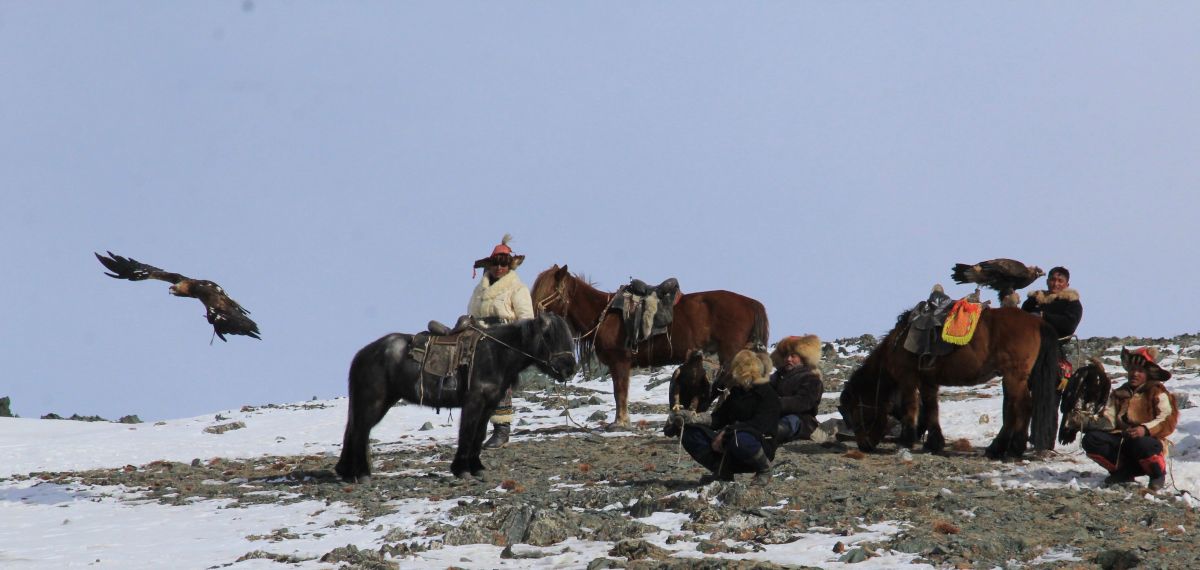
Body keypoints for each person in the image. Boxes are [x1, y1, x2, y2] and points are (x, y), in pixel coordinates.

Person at [669, 349, 780, 486]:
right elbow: (718, 418)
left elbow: (759, 426)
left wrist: (727, 432)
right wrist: (692, 418)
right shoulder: (737, 393)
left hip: (757, 446)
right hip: (730, 445)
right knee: (689, 433)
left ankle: (764, 469)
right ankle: (723, 472)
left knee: (739, 438)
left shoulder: (768, 395)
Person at [1077, 347, 1178, 491]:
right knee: (1091, 439)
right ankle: (1123, 472)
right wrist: (1084, 423)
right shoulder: (1119, 393)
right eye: (1132, 370)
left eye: (1140, 371)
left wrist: (1145, 429)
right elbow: (1109, 420)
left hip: (1147, 444)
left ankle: (1157, 475)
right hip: (1124, 443)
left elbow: (1167, 419)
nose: (1134, 374)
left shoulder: (1157, 392)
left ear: (1148, 374)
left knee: (1143, 444)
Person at [468, 234, 535, 449]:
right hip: (480, 337)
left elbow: (526, 319)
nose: (499, 268)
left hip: (505, 340)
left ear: (510, 265)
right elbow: (471, 314)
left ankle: (502, 430)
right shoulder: (480, 290)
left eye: (503, 263)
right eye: (496, 263)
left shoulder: (517, 289)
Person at [1021, 266, 1083, 386]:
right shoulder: (1033, 301)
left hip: (1055, 350)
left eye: (1060, 281)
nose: (1055, 284)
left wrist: (1044, 316)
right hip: (1027, 349)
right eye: (1053, 280)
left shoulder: (1072, 303)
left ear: (1067, 284)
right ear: (1047, 281)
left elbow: (1069, 324)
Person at [769, 335, 826, 443]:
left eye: (793, 356)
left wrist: (776, 403)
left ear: (803, 357)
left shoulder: (812, 378)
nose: (788, 359)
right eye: (786, 356)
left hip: (802, 421)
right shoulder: (776, 377)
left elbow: (804, 402)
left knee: (790, 422)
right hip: (774, 416)